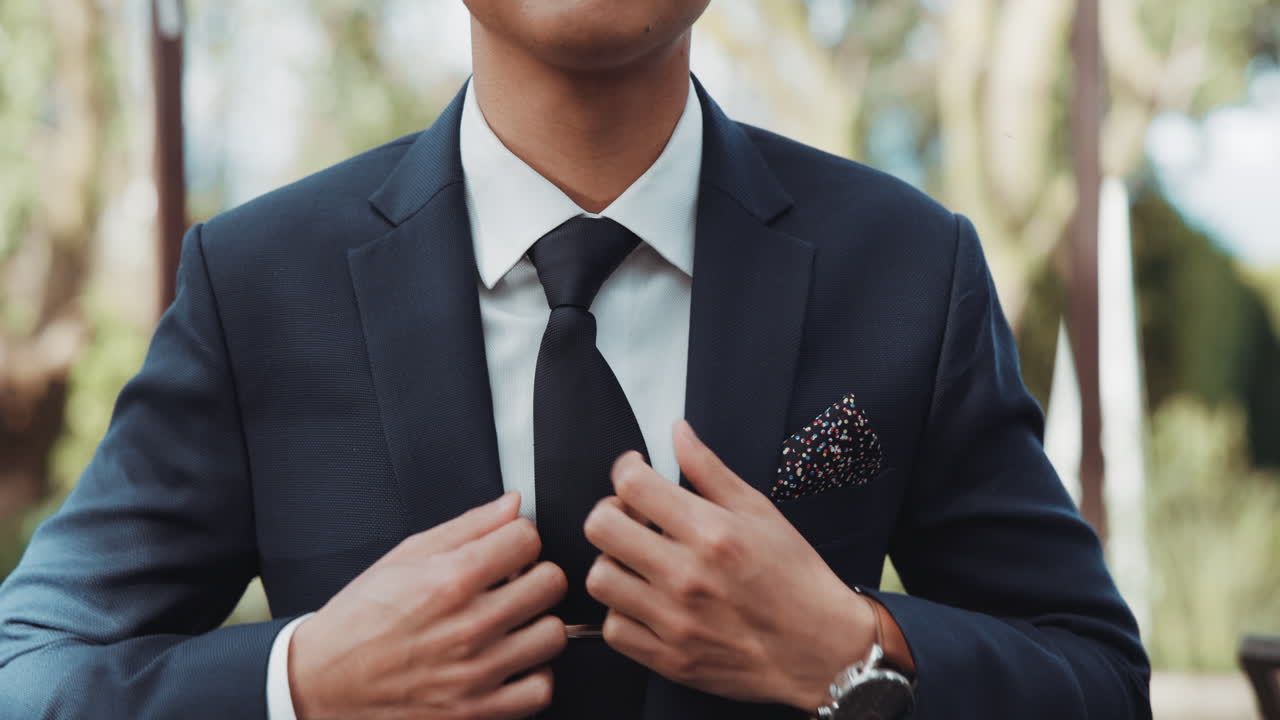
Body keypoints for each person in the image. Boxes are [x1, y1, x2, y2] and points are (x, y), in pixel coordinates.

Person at [0, 1, 1151, 718]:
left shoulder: (906, 266)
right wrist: (300, 687)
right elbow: (30, 671)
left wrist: (856, 652)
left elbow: (1099, 680)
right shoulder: (256, 284)